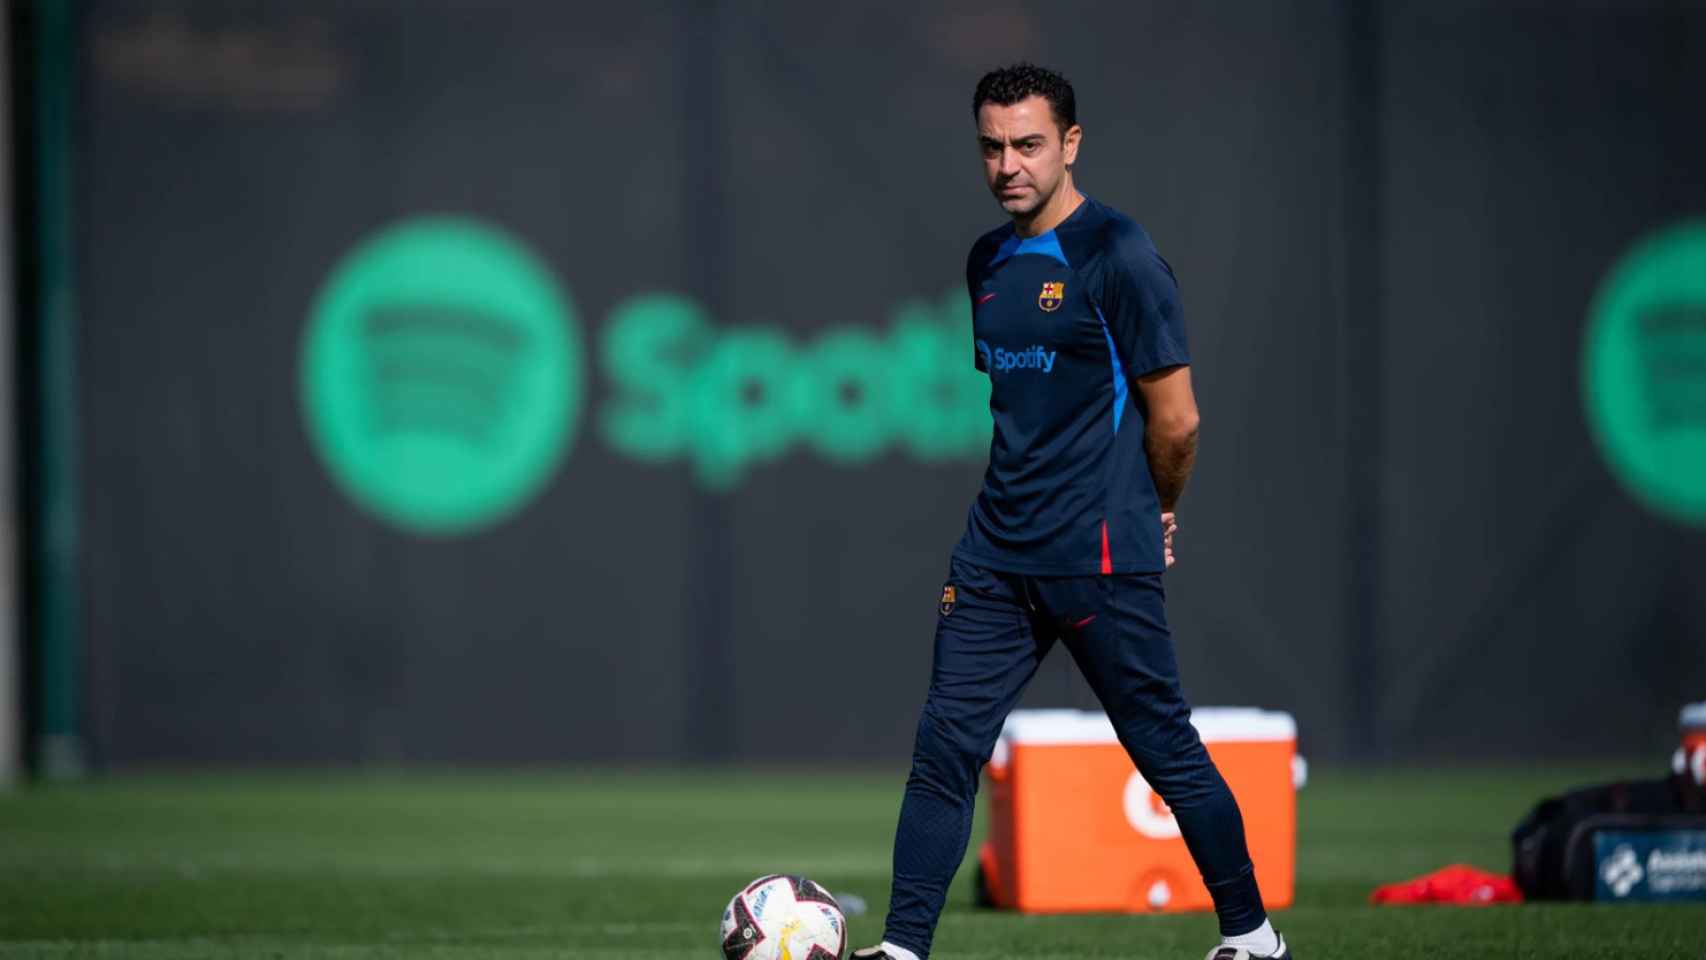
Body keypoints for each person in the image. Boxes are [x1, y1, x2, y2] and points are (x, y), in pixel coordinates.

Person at [850, 64, 1292, 960]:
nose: (1007, 164)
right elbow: (1028, 414)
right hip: (993, 558)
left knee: (1163, 745)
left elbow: (1178, 417)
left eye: (1028, 144)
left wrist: (1156, 506)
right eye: (992, 146)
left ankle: (1252, 938)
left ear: (1071, 145)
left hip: (1096, 552)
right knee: (944, 750)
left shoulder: (1119, 254)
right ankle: (900, 952)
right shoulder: (987, 261)